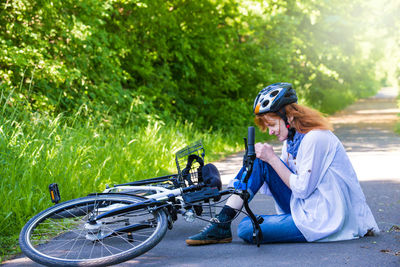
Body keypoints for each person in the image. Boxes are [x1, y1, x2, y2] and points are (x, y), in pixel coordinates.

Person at [186, 82, 379, 245]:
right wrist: (257, 163)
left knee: (246, 228)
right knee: (261, 162)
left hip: (323, 216)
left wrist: (272, 159)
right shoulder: (292, 141)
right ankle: (222, 222)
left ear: (290, 116)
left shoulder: (316, 139)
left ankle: (222, 224)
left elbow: (302, 188)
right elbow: (278, 178)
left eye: (271, 124)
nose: (269, 131)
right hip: (305, 205)